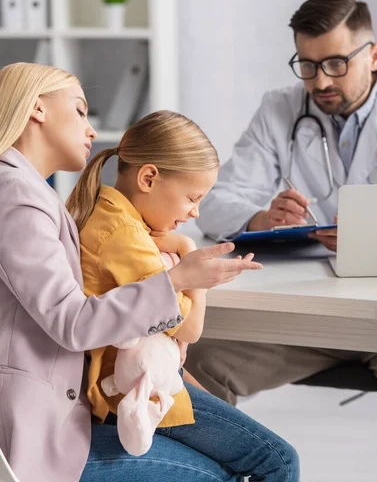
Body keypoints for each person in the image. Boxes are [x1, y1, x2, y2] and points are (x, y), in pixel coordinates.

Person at [0, 62, 268, 482]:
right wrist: (179, 279)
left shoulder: (34, 196)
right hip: (41, 429)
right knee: (244, 468)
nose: (91, 129)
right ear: (37, 109)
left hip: (67, 409)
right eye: (80, 110)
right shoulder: (16, 197)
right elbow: (72, 322)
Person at [185, 0, 377, 481]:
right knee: (198, 358)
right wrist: (261, 217)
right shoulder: (280, 108)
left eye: (336, 63)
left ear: (374, 55)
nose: (319, 80)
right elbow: (215, 203)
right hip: (310, 320)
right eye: (306, 64)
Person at [65, 109, 300, 482]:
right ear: (149, 178)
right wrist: (191, 259)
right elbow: (188, 329)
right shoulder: (124, 236)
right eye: (192, 197)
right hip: (133, 393)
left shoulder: (113, 217)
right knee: (279, 461)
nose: (195, 211)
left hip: (149, 379)